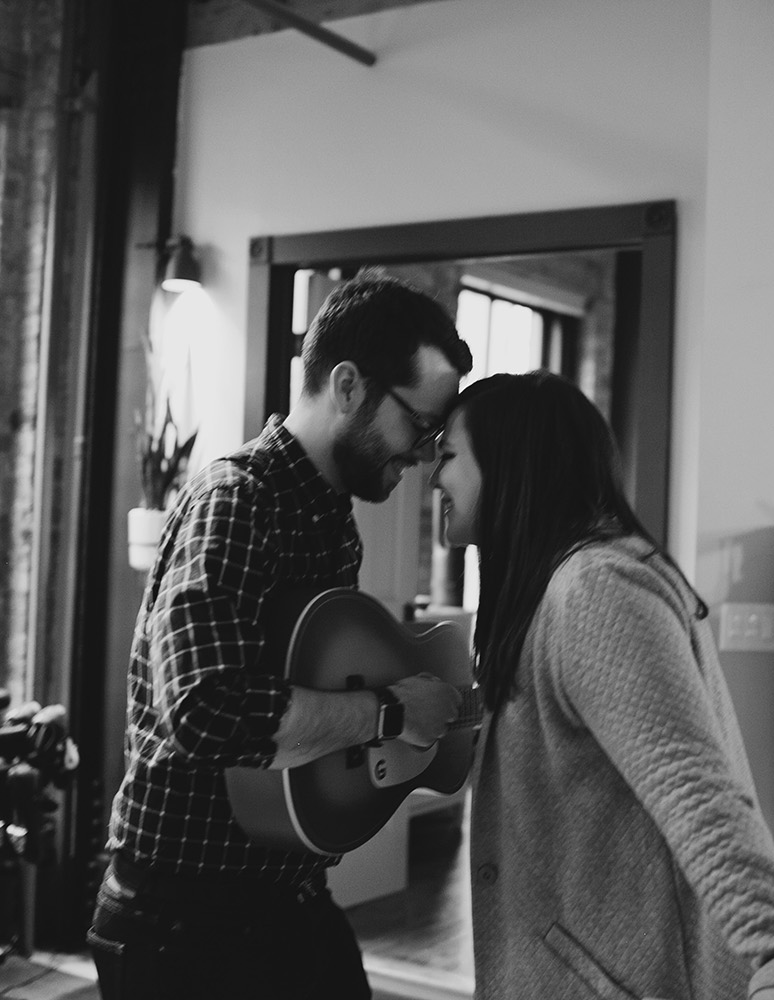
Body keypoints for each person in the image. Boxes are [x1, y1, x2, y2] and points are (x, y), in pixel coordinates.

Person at [89, 273, 471, 1000]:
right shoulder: (238, 501)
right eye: (417, 425)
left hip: (283, 899)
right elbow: (207, 710)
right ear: (349, 385)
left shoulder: (331, 518)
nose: (424, 455)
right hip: (182, 923)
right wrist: (391, 711)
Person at [432, 371, 774, 1000]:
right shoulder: (553, 592)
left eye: (448, 457)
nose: (434, 478)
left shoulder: (595, 592)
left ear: (511, 464)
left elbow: (698, 796)